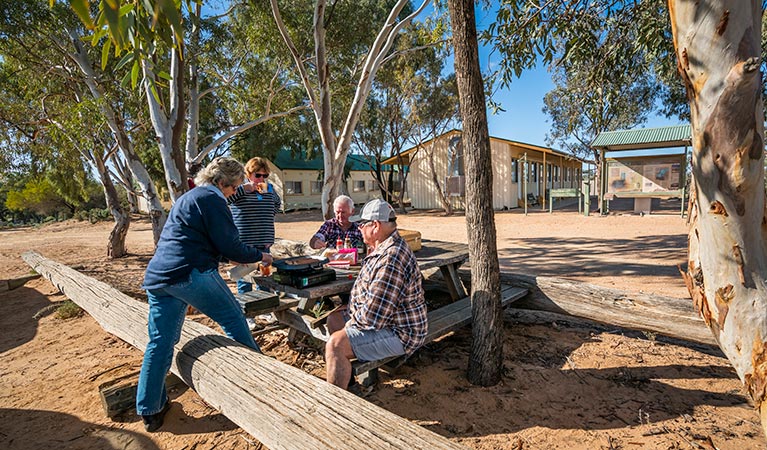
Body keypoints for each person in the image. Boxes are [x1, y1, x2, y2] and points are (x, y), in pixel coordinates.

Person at [136, 157, 273, 432]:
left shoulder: (191, 197)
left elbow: (207, 240)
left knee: (160, 342)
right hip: (191, 273)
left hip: (160, 277)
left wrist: (230, 255)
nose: (234, 192)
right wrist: (260, 255)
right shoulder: (212, 200)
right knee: (234, 319)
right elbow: (229, 243)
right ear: (222, 182)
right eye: (233, 187)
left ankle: (150, 409)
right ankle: (265, 386)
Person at [324, 199, 427, 390]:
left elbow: (374, 317)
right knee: (334, 319)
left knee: (335, 344)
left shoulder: (391, 258)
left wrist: (349, 325)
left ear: (376, 226)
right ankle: (348, 382)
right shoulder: (383, 246)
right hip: (387, 320)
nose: (359, 228)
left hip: (400, 332)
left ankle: (336, 404)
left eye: (362, 224)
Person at [227, 157, 281, 294]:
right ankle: (247, 313)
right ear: (248, 174)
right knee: (244, 280)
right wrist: (244, 189)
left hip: (264, 242)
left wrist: (265, 219)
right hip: (244, 242)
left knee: (264, 278)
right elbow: (226, 200)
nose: (261, 179)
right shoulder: (238, 189)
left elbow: (276, 205)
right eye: (258, 175)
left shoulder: (269, 189)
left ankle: (264, 308)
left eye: (265, 175)